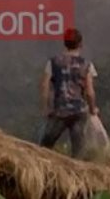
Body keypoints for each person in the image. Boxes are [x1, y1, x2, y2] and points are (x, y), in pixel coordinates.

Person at [38, 27, 98, 158]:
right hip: (79, 111)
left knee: (44, 147)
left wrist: (46, 108)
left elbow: (44, 86)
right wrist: (93, 109)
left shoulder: (53, 62)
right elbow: (90, 91)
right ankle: (76, 176)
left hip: (60, 110)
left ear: (65, 43)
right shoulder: (87, 65)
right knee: (78, 151)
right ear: (80, 44)